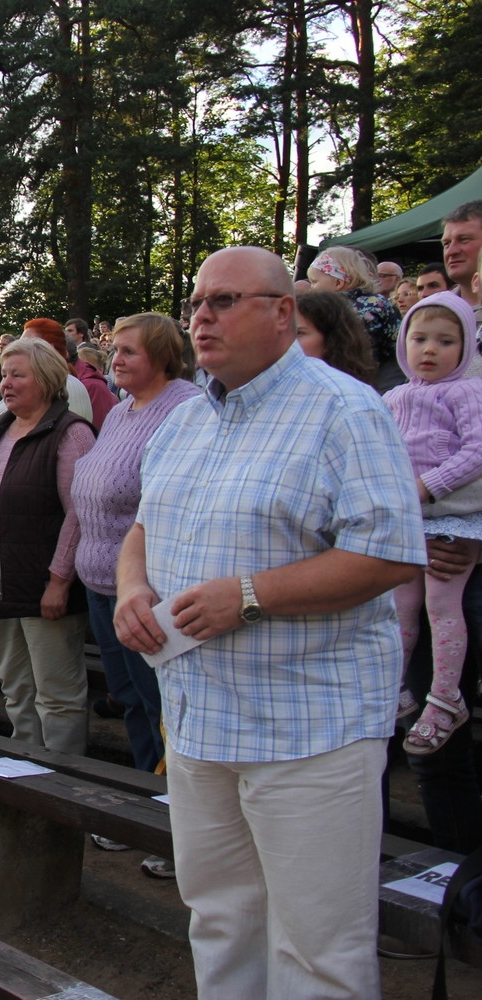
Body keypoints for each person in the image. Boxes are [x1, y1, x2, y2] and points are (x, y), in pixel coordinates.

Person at [115, 246, 423, 998]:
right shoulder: (185, 423)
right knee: (220, 921)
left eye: (224, 300)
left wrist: (249, 595)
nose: (201, 317)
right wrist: (129, 590)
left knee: (318, 949)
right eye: (195, 302)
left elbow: (389, 556)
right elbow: (144, 530)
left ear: (283, 313)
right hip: (196, 719)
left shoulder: (346, 410)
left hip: (308, 728)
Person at [70, 313, 198, 877]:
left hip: (152, 591)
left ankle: (178, 826)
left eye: (129, 352)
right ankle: (146, 809)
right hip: (102, 584)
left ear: (165, 357)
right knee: (129, 701)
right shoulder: (121, 411)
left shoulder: (185, 408)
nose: (115, 359)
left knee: (162, 707)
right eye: (114, 350)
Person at [0, 338, 95, 754]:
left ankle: (64, 788)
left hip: (41, 577)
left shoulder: (70, 434)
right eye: (4, 376)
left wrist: (59, 580)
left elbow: (78, 514)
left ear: (48, 379)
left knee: (57, 691)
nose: (6, 384)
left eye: (18, 375)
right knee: (15, 684)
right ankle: (27, 773)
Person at [384, 292, 482, 755]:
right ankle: (397, 688)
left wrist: (429, 486)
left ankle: (446, 697)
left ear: (465, 348)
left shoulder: (466, 390)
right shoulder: (395, 395)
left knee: (442, 605)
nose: (429, 350)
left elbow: (478, 452)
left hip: (452, 521)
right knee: (401, 607)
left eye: (445, 341)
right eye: (419, 338)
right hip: (409, 521)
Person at [306, 246, 404, 391]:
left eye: (314, 282)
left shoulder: (368, 307)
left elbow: (393, 346)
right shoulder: (333, 309)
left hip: (376, 381)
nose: (311, 288)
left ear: (338, 283)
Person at [294, 289, 379, 386]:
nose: (288, 341)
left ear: (331, 339)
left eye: (299, 333)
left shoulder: (346, 395)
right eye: (281, 333)